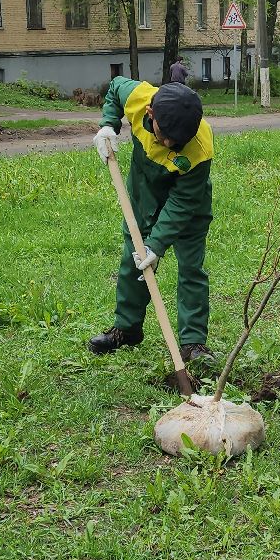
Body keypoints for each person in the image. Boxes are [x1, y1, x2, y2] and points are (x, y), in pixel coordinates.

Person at [89, 76, 214, 363]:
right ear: (150, 114)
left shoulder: (200, 146)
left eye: (178, 140)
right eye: (165, 134)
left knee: (191, 268)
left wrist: (156, 245)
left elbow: (183, 202)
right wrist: (108, 124)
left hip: (188, 205)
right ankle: (127, 329)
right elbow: (115, 89)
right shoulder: (139, 97)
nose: (170, 143)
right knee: (132, 260)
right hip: (144, 194)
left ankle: (193, 344)